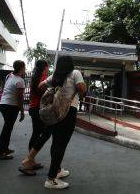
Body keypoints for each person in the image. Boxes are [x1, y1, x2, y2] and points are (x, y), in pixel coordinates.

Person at [43, 55, 87, 189]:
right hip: (68, 112)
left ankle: (57, 170)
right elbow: (82, 89)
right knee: (61, 145)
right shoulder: (75, 73)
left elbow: (40, 86)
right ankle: (51, 179)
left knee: (56, 142)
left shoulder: (54, 76)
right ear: (70, 64)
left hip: (55, 113)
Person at [18, 59, 51, 175]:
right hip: (37, 109)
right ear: (44, 67)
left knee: (37, 134)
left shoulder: (37, 77)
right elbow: (46, 93)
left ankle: (31, 160)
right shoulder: (43, 78)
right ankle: (28, 162)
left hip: (34, 108)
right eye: (48, 66)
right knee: (41, 134)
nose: (48, 68)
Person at [0, 60, 26, 160]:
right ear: (21, 68)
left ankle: (5, 149)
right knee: (7, 129)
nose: (25, 69)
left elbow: (5, 89)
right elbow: (20, 98)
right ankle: (0, 153)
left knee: (8, 128)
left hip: (3, 104)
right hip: (11, 106)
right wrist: (22, 112)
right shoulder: (20, 81)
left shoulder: (9, 76)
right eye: (24, 67)